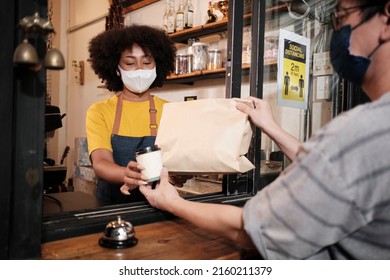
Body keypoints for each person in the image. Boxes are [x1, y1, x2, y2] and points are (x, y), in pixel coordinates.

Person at [137, 0, 390, 259]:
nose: (337, 31)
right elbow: (333, 169)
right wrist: (270, 127)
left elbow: (251, 231)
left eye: (341, 16)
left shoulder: (358, 133)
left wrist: (171, 202)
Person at [86, 24, 176, 204]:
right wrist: (125, 174)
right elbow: (101, 162)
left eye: (146, 62)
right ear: (116, 69)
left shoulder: (170, 110)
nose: (139, 69)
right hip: (112, 204)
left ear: (156, 65)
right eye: (130, 63)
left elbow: (177, 161)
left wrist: (179, 174)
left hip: (160, 202)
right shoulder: (100, 111)